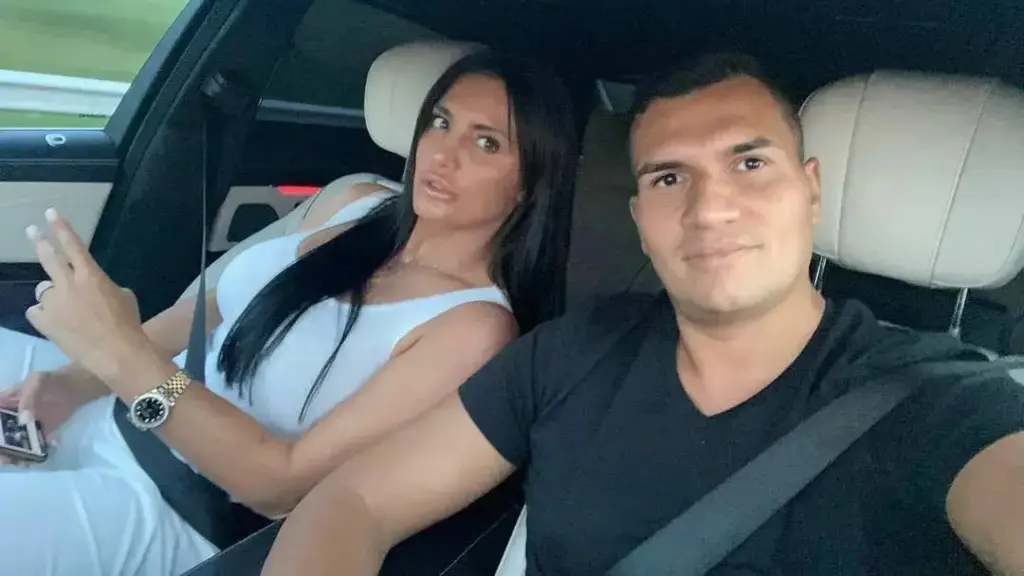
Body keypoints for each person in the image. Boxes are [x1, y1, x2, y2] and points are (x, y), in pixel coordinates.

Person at [262, 53, 1024, 575]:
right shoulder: (571, 353)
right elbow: (352, 501)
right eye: (668, 178)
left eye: (749, 163)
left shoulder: (946, 406)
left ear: (811, 190)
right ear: (639, 217)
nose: (710, 208)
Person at [0, 47, 579, 576]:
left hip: (177, 510)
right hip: (119, 411)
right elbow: (208, 314)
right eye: (441, 122)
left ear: (531, 183)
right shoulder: (355, 203)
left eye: (486, 143)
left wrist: (119, 355)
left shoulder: (474, 328)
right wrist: (73, 383)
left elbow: (279, 485)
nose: (443, 154)